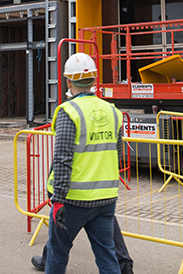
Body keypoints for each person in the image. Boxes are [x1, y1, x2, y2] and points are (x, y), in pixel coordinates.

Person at [44, 52, 124, 274]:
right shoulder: (112, 111)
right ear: (94, 79)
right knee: (107, 254)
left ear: (68, 80)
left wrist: (58, 200)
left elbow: (62, 159)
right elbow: (116, 153)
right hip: (106, 198)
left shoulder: (69, 112)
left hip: (72, 201)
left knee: (57, 253)